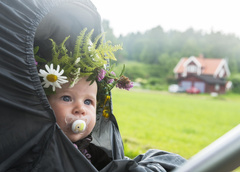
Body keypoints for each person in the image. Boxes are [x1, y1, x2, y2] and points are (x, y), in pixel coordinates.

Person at [0, 0, 186, 171]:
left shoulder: (93, 152)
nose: (80, 109)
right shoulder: (32, 153)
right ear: (43, 104)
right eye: (67, 98)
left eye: (88, 102)